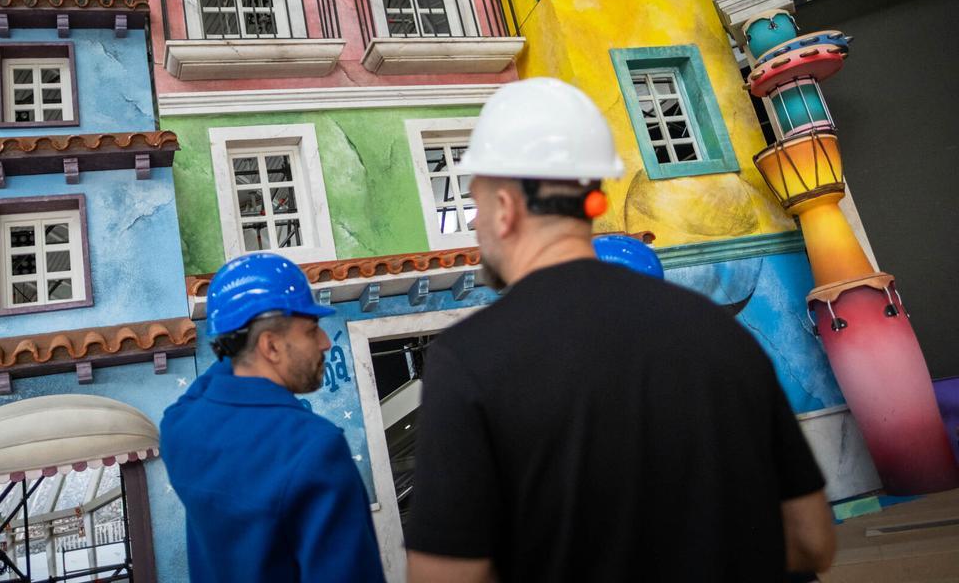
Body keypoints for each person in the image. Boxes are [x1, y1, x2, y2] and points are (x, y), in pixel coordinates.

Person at [405, 78, 836, 582]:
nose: (476, 225)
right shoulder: (721, 333)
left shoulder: (467, 359)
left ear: (504, 208)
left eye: (476, 205)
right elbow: (813, 542)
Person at [162, 252, 386, 583]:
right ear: (271, 347)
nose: (325, 342)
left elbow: (218, 376)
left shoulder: (179, 428)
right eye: (311, 331)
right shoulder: (314, 449)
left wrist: (236, 343)